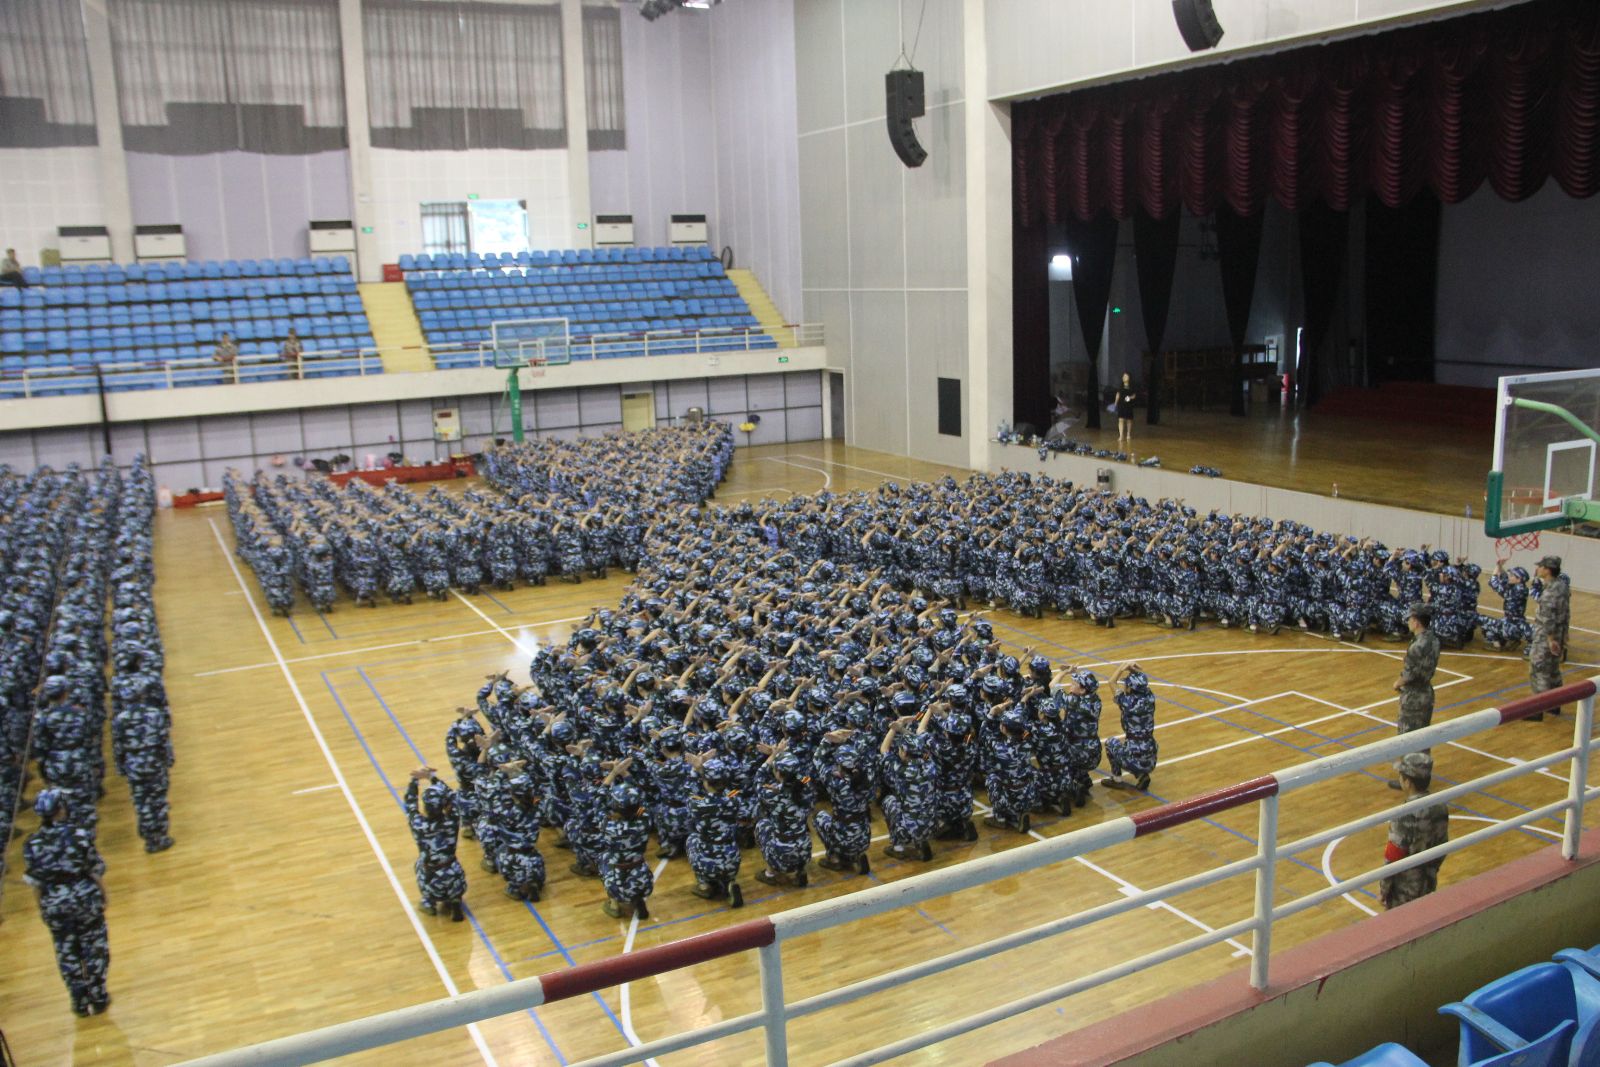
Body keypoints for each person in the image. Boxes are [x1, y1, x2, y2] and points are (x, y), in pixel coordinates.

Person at [22, 789, 111, 1016]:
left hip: (54, 904)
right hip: (84, 900)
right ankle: (98, 996)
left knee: (67, 952)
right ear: (61, 809)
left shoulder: (32, 843)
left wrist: (42, 908)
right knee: (94, 948)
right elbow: (94, 870)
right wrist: (104, 894)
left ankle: (79, 1001)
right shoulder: (79, 835)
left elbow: (36, 884)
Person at [1380, 753, 1449, 909]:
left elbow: (1393, 855)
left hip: (1403, 889)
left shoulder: (1404, 814)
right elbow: (1443, 843)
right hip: (1429, 881)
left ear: (1407, 782)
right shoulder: (1440, 806)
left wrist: (1384, 890)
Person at [1390, 602, 1440, 776]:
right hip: (1427, 692)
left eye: (1410, 619)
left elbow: (1409, 674)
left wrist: (1398, 683)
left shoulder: (1417, 646)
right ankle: (1423, 773)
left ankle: (1410, 777)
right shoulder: (1433, 640)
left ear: (1417, 622)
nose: (1408, 622)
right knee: (1423, 736)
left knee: (1407, 737)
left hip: (1413, 696)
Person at [1528, 555, 1571, 719]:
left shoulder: (1549, 594)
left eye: (1541, 567)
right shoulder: (1562, 587)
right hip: (1559, 633)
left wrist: (1551, 639)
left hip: (1545, 637)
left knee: (1538, 670)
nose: (1538, 569)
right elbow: (1566, 613)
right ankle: (1555, 705)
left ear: (1547, 570)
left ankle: (1537, 709)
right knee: (1553, 670)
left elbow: (1548, 619)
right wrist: (1563, 636)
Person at [1113, 373, 1137, 446]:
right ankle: (1121, 435)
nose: (1124, 377)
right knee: (1121, 419)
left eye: (1126, 376)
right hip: (1121, 404)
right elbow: (1118, 395)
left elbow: (1134, 395)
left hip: (1129, 405)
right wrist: (1115, 403)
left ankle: (1128, 434)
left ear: (1129, 377)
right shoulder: (1120, 386)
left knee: (1129, 420)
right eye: (1123, 376)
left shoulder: (1132, 387)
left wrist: (1130, 398)